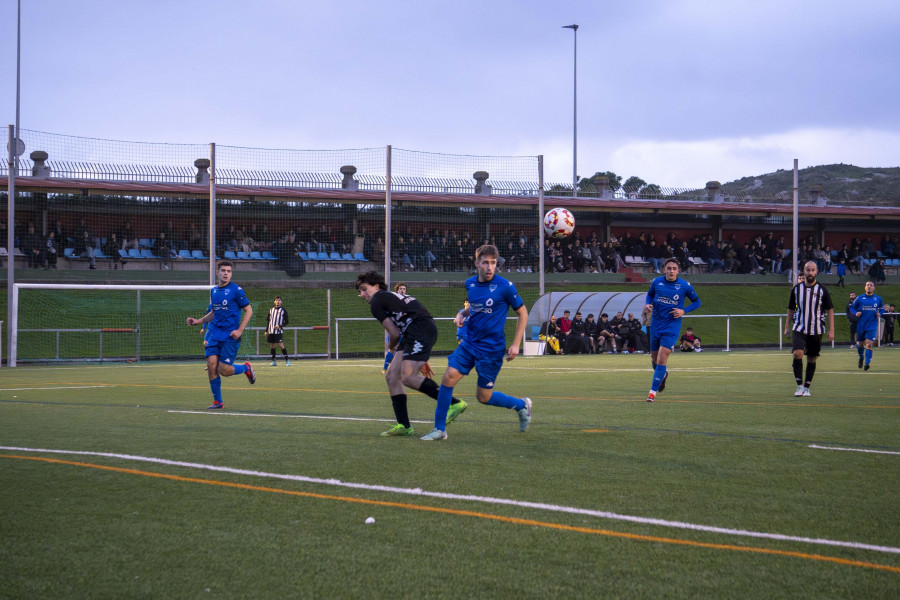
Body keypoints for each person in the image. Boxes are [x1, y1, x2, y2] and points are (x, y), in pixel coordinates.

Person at [424, 244, 532, 440]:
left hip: (491, 350)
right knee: (448, 377)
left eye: (493, 263)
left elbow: (523, 313)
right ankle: (439, 429)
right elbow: (474, 308)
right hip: (469, 344)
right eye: (485, 263)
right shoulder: (470, 284)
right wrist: (461, 313)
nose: (490, 267)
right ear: (477, 264)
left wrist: (516, 344)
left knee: (484, 397)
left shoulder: (505, 287)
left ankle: (521, 405)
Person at [355, 270, 467, 437]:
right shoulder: (388, 297)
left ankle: (454, 403)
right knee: (392, 375)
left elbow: (394, 334)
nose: (362, 294)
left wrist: (390, 347)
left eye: (364, 289)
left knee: (407, 376)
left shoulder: (377, 301)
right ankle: (404, 426)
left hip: (418, 329)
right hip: (416, 331)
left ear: (376, 286)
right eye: (360, 292)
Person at [185, 261, 256, 409]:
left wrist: (240, 330)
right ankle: (218, 401)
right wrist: (198, 321)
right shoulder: (214, 291)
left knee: (224, 370)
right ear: (217, 272)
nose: (226, 273)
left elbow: (249, 310)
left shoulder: (237, 290)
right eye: (223, 270)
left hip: (230, 337)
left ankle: (246, 368)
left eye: (229, 271)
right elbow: (214, 312)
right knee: (211, 366)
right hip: (215, 335)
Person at [644, 257, 702, 402]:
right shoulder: (657, 282)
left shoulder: (684, 285)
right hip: (656, 324)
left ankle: (652, 393)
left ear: (678, 271)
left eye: (674, 269)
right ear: (664, 269)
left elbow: (697, 302)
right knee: (654, 359)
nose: (671, 271)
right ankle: (662, 375)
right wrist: (648, 304)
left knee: (662, 358)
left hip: (672, 326)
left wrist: (684, 311)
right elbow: (650, 295)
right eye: (669, 268)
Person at [784, 261, 835, 397]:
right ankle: (799, 385)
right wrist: (787, 326)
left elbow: (830, 309)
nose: (810, 272)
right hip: (799, 327)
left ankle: (807, 387)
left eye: (813, 270)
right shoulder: (796, 289)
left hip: (816, 329)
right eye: (808, 270)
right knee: (797, 353)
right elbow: (790, 308)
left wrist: (831, 330)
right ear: (804, 271)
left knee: (812, 359)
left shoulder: (822, 290)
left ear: (816, 272)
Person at [850, 281, 885, 371]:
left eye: (871, 285)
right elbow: (852, 307)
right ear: (865, 287)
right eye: (867, 285)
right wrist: (855, 313)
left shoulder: (878, 298)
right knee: (860, 345)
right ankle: (861, 357)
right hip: (861, 325)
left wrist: (879, 313)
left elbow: (882, 308)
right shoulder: (860, 298)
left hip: (872, 325)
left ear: (874, 288)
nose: (869, 286)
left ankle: (867, 363)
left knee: (869, 344)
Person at [382, 282, 408, 373]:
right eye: (400, 288)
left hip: (404, 328)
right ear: (397, 290)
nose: (402, 290)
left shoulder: (408, 301)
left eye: (404, 289)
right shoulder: (393, 301)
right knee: (393, 348)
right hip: (394, 328)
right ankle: (385, 368)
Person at [266, 296, 291, 366]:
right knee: (272, 346)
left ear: (281, 302)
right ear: (274, 301)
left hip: (278, 331)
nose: (278, 301)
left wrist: (279, 326)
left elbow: (287, 321)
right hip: (271, 331)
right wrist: (266, 330)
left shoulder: (283, 310)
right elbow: (268, 321)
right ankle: (274, 361)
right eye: (276, 300)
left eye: (279, 300)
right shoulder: (271, 310)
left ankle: (287, 360)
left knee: (281, 345)